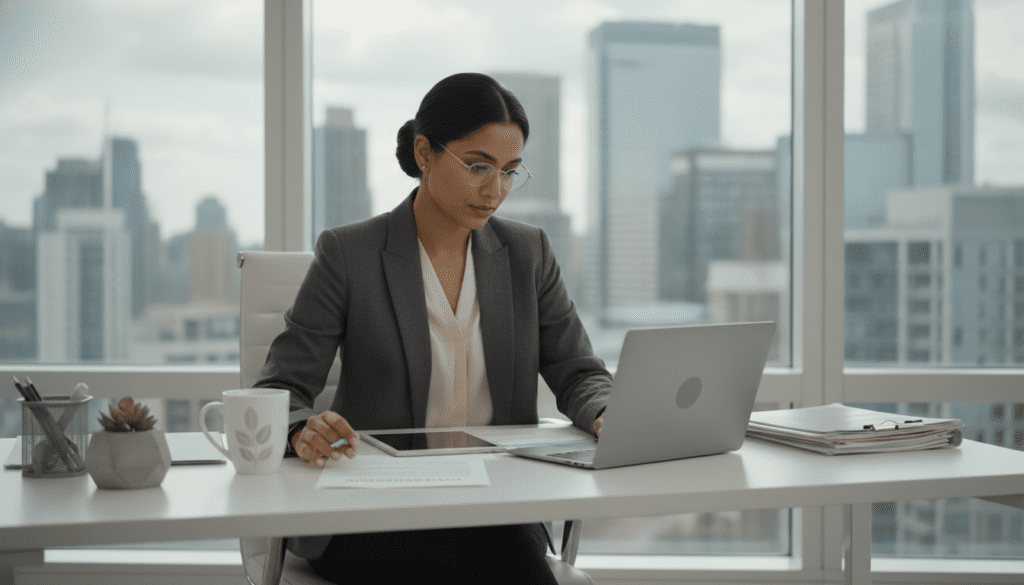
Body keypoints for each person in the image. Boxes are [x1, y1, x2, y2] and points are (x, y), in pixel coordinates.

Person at [254, 72, 612, 584]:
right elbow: (279, 389)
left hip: (495, 507)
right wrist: (299, 430)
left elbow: (578, 370)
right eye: (478, 167)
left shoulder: (527, 253)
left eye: (511, 172)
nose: (496, 191)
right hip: (375, 513)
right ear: (425, 154)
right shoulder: (349, 254)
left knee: (500, 552)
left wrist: (605, 411)